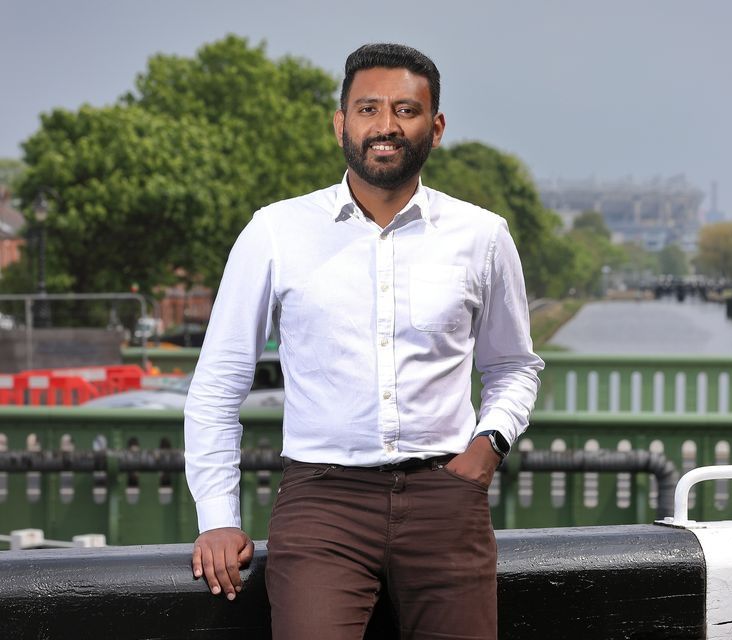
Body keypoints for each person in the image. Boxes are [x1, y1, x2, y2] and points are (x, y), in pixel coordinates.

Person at [184, 42, 543, 639]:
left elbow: (513, 366)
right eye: (368, 108)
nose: (386, 126)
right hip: (322, 502)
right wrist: (218, 518)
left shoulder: (482, 235)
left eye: (406, 110)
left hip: (445, 499)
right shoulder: (275, 231)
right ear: (340, 123)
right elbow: (219, 383)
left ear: (437, 126)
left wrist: (486, 451)